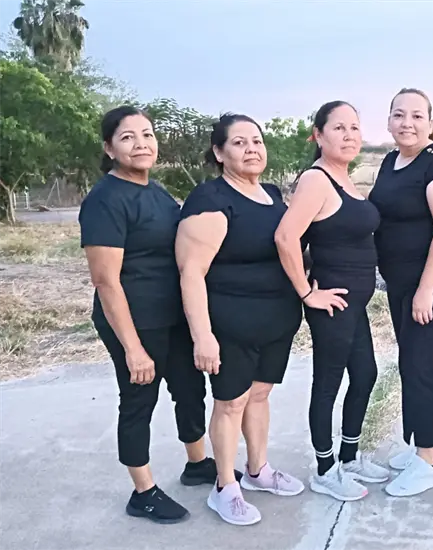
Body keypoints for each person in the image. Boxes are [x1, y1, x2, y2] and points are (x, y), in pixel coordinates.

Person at [79, 106, 236, 525]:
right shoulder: (104, 201)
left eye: (146, 134)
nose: (141, 143)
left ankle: (197, 462)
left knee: (189, 390)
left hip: (173, 315)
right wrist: (132, 348)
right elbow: (106, 282)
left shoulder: (157, 191)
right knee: (138, 400)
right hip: (135, 320)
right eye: (128, 137)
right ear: (109, 147)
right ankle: (143, 491)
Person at [176, 113, 305, 526]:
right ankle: (224, 486)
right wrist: (203, 337)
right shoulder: (211, 202)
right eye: (239, 143)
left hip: (277, 321)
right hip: (229, 325)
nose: (252, 149)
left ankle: (258, 470)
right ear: (219, 152)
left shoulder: (270, 194)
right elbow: (191, 273)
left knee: (260, 395)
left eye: (257, 141)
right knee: (231, 402)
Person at [275, 100, 390, 502]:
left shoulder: (345, 180)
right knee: (328, 383)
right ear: (318, 136)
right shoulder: (317, 180)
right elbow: (286, 237)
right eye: (339, 128)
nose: (349, 135)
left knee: (366, 375)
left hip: (354, 303)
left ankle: (350, 456)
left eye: (355, 128)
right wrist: (307, 292)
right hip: (331, 304)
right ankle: (325, 469)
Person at [368, 88, 433, 497]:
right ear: (389, 120)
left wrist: (426, 290)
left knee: (418, 366)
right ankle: (426, 442)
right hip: (401, 283)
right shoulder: (392, 161)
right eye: (398, 114)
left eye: (416, 115)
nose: (406, 122)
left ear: (431, 123)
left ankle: (428, 461)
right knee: (413, 361)